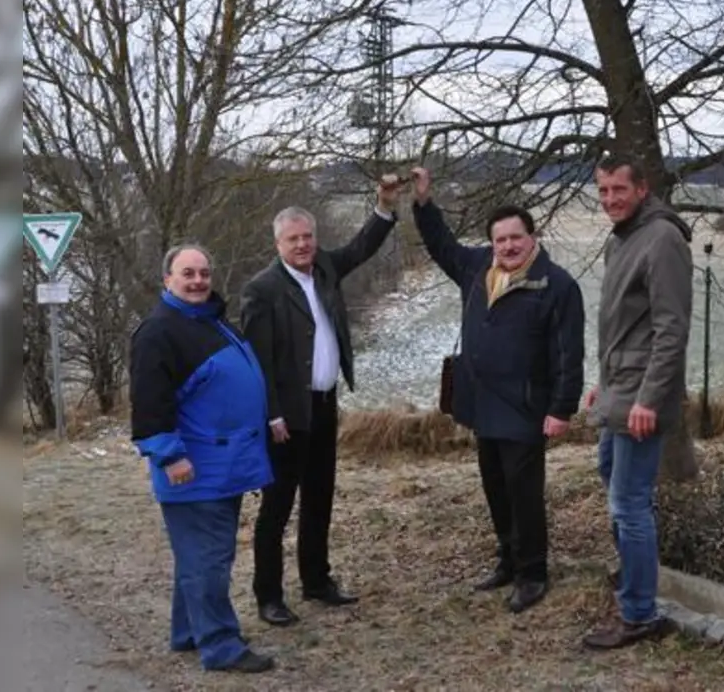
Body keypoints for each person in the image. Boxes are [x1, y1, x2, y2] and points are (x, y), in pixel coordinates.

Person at [409, 167, 585, 614]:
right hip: (481, 404)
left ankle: (533, 572)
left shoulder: (557, 285)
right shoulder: (475, 268)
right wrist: (424, 204)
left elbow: (568, 353)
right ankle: (507, 559)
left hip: (526, 408)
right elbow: (441, 245)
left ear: (532, 237)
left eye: (515, 238)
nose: (507, 246)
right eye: (499, 239)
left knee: (524, 493)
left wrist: (562, 408)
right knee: (495, 487)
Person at [241, 177, 402, 626]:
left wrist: (384, 207)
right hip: (284, 417)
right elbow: (257, 364)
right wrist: (270, 413)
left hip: (324, 405)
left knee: (319, 498)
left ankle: (317, 581)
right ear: (277, 244)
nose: (302, 245)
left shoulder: (325, 268)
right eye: (293, 239)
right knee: (277, 508)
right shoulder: (262, 290)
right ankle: (269, 596)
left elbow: (359, 248)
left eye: (308, 236)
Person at [130, 244, 276, 674]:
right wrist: (169, 455)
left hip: (222, 466)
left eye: (203, 273)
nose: (198, 281)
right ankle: (220, 644)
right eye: (187, 273)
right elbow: (149, 404)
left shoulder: (207, 319)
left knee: (200, 556)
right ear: (167, 280)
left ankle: (189, 631)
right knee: (208, 560)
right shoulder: (159, 331)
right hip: (193, 470)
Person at [581, 154, 693, 650]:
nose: (609, 200)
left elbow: (671, 329)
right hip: (619, 388)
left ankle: (640, 613)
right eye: (602, 191)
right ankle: (634, 576)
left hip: (642, 397)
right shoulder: (621, 239)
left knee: (629, 503)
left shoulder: (663, 239)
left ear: (641, 189)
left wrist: (649, 398)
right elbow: (624, 326)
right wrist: (603, 383)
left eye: (618, 191)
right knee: (614, 479)